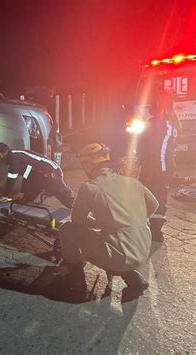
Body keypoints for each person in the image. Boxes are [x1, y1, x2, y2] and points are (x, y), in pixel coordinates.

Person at [57, 143, 159, 296]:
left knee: (67, 229)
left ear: (88, 165)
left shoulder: (91, 187)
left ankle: (76, 279)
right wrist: (132, 219)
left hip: (119, 255)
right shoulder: (131, 182)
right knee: (115, 241)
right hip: (143, 249)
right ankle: (132, 278)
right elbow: (154, 205)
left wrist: (97, 223)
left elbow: (77, 220)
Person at [137, 91, 181, 242]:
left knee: (158, 197)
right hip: (152, 166)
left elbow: (160, 151)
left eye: (154, 101)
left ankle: (155, 231)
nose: (151, 105)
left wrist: (152, 170)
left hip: (158, 167)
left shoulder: (165, 122)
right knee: (146, 196)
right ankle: (147, 226)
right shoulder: (161, 121)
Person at [0, 143, 74, 208]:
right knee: (27, 195)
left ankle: (77, 208)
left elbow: (11, 179)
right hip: (42, 174)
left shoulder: (13, 158)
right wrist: (23, 193)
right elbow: (29, 175)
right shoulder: (15, 155)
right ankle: (27, 201)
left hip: (51, 172)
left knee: (60, 192)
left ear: (0, 154)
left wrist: (5, 195)